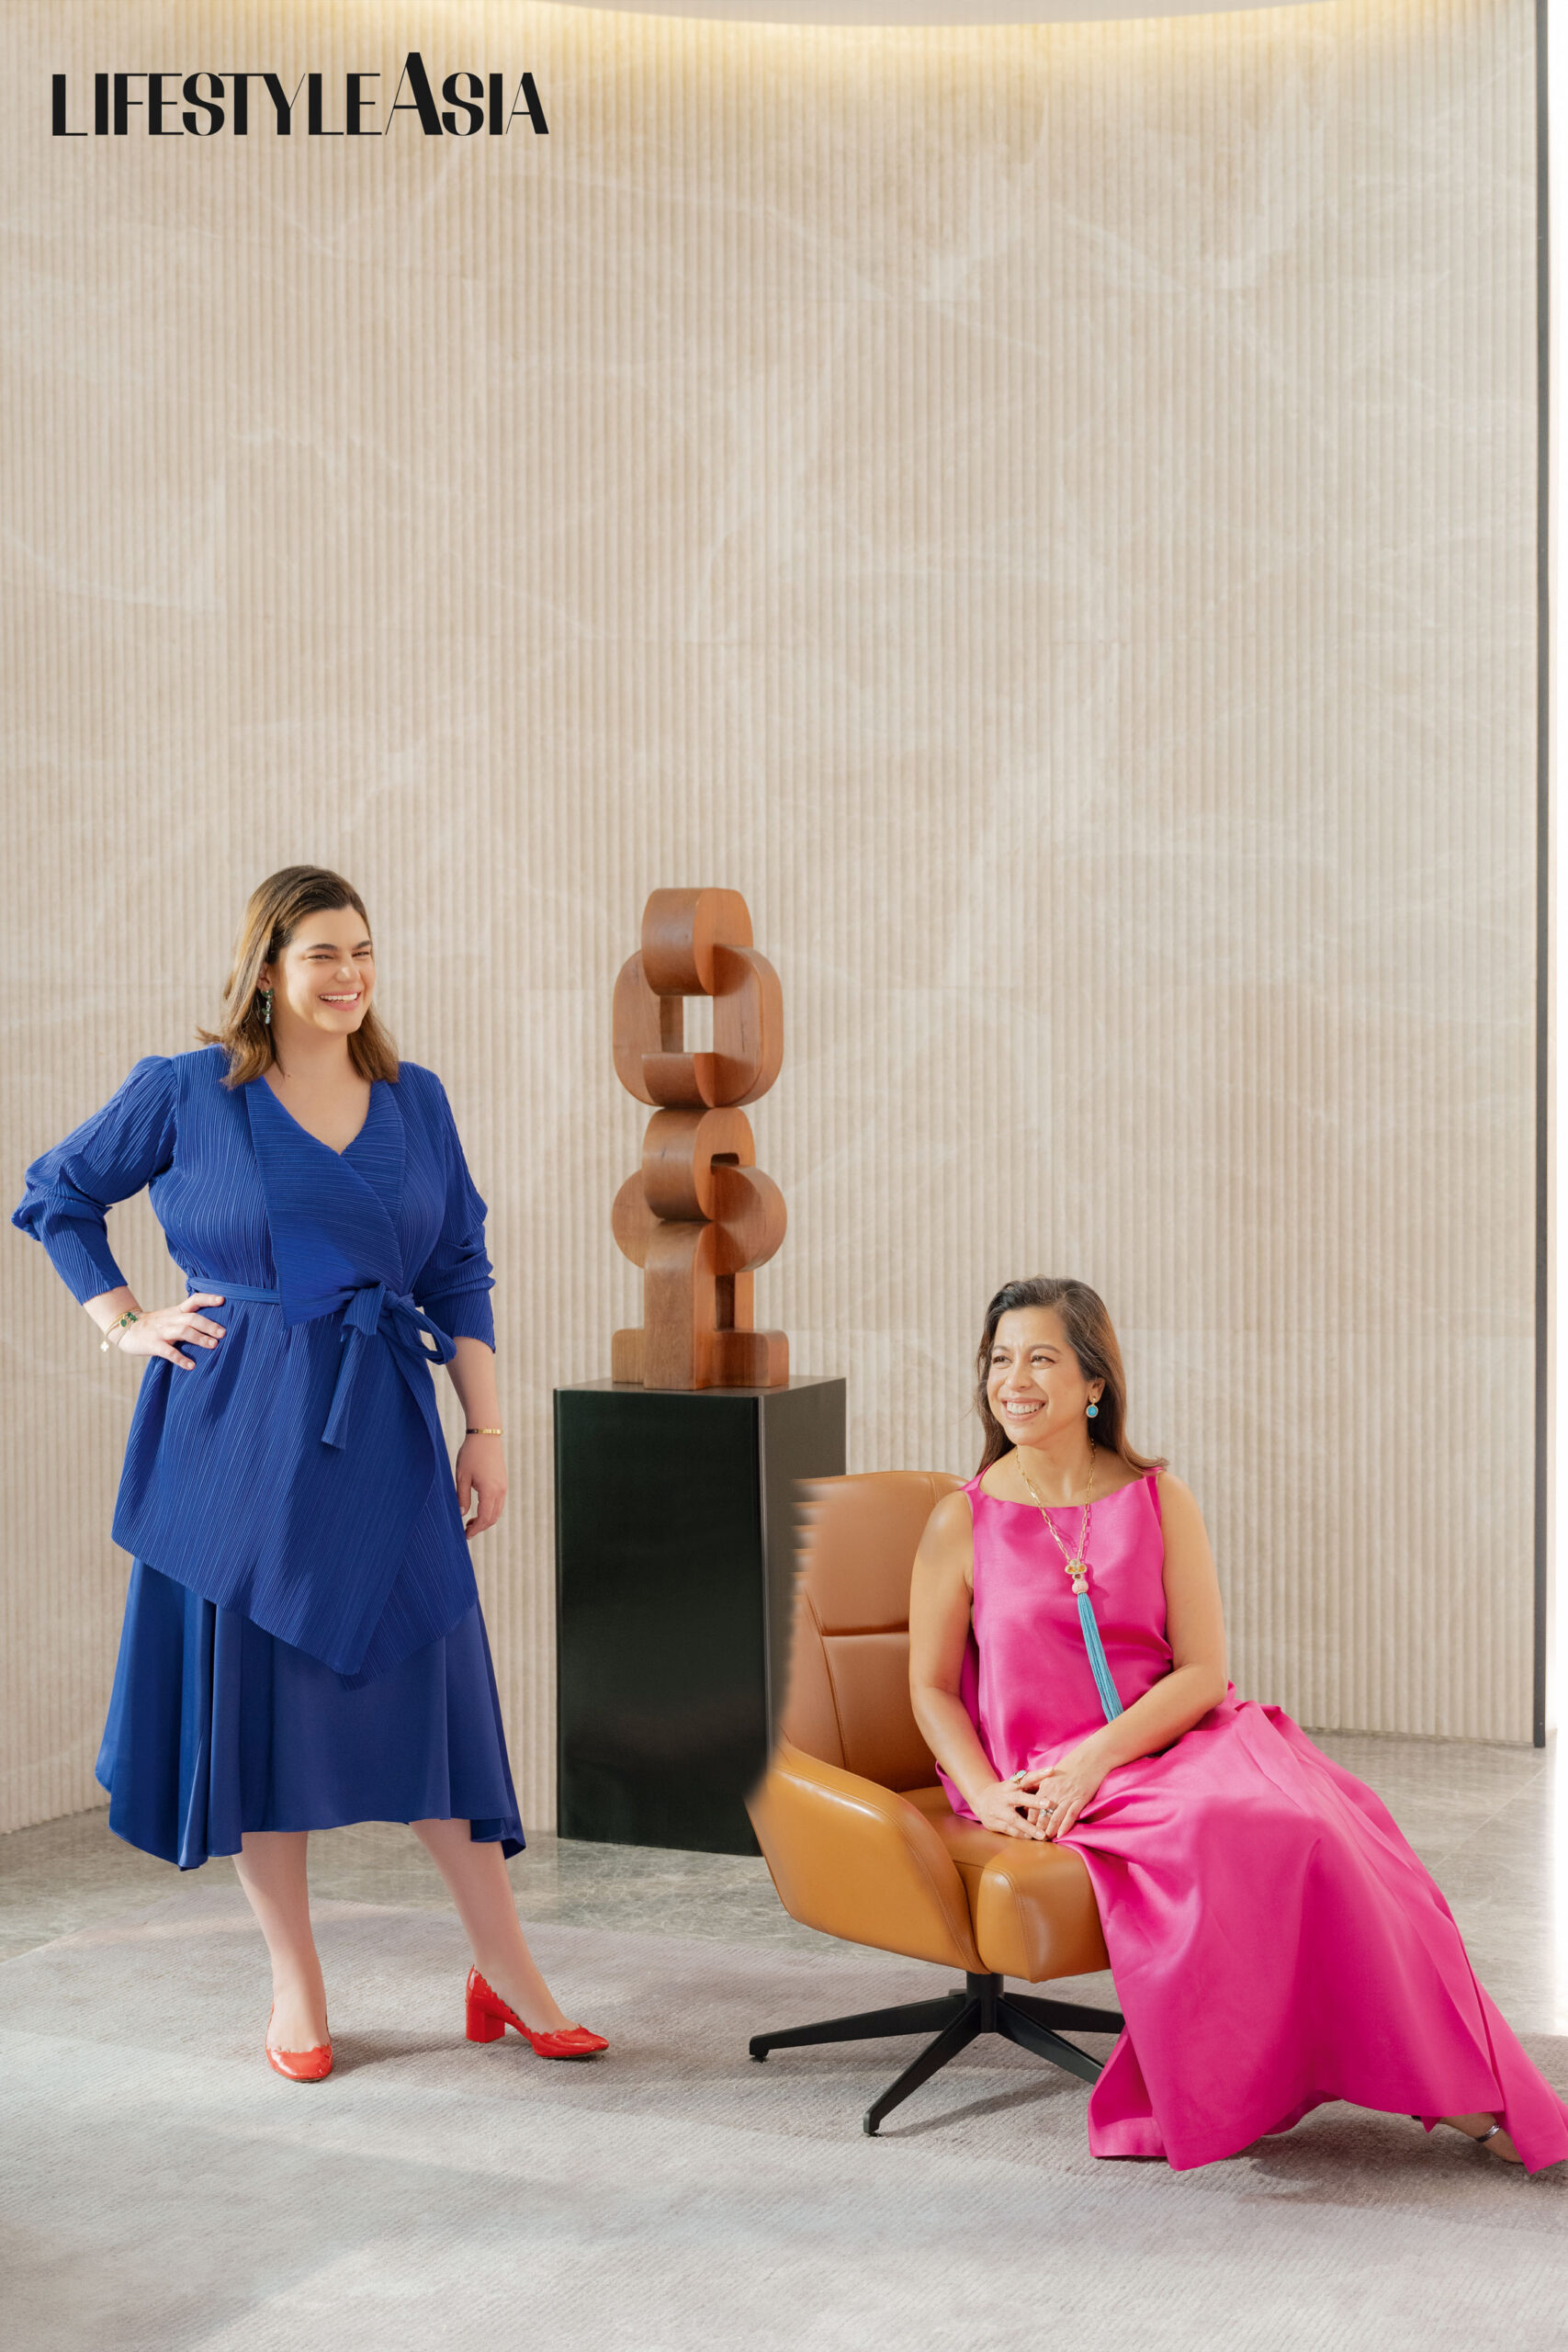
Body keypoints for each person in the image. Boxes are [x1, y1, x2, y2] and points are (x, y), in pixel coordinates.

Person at [14, 865, 606, 2080]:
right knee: (255, 1720)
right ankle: (296, 1983)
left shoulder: (414, 1100)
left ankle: (506, 1966)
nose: (348, 977)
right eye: (322, 953)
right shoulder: (185, 1093)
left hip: (380, 1427)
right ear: (266, 966)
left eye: (363, 952)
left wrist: (483, 1429)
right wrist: (123, 1321)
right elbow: (55, 1195)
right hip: (233, 1438)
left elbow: (459, 1269)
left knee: (435, 1704)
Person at [908, 1275, 1568, 2174]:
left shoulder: (1156, 1497)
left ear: (1094, 1382)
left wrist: (1101, 1757)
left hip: (1179, 1740)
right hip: (1042, 1766)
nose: (1013, 1379)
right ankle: (1348, 2089)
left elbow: (1201, 1671)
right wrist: (985, 1791)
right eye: (999, 1359)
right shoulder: (963, 1519)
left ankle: (1462, 2081)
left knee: (1334, 1830)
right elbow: (933, 1689)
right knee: (1240, 1830)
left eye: (1040, 1358)